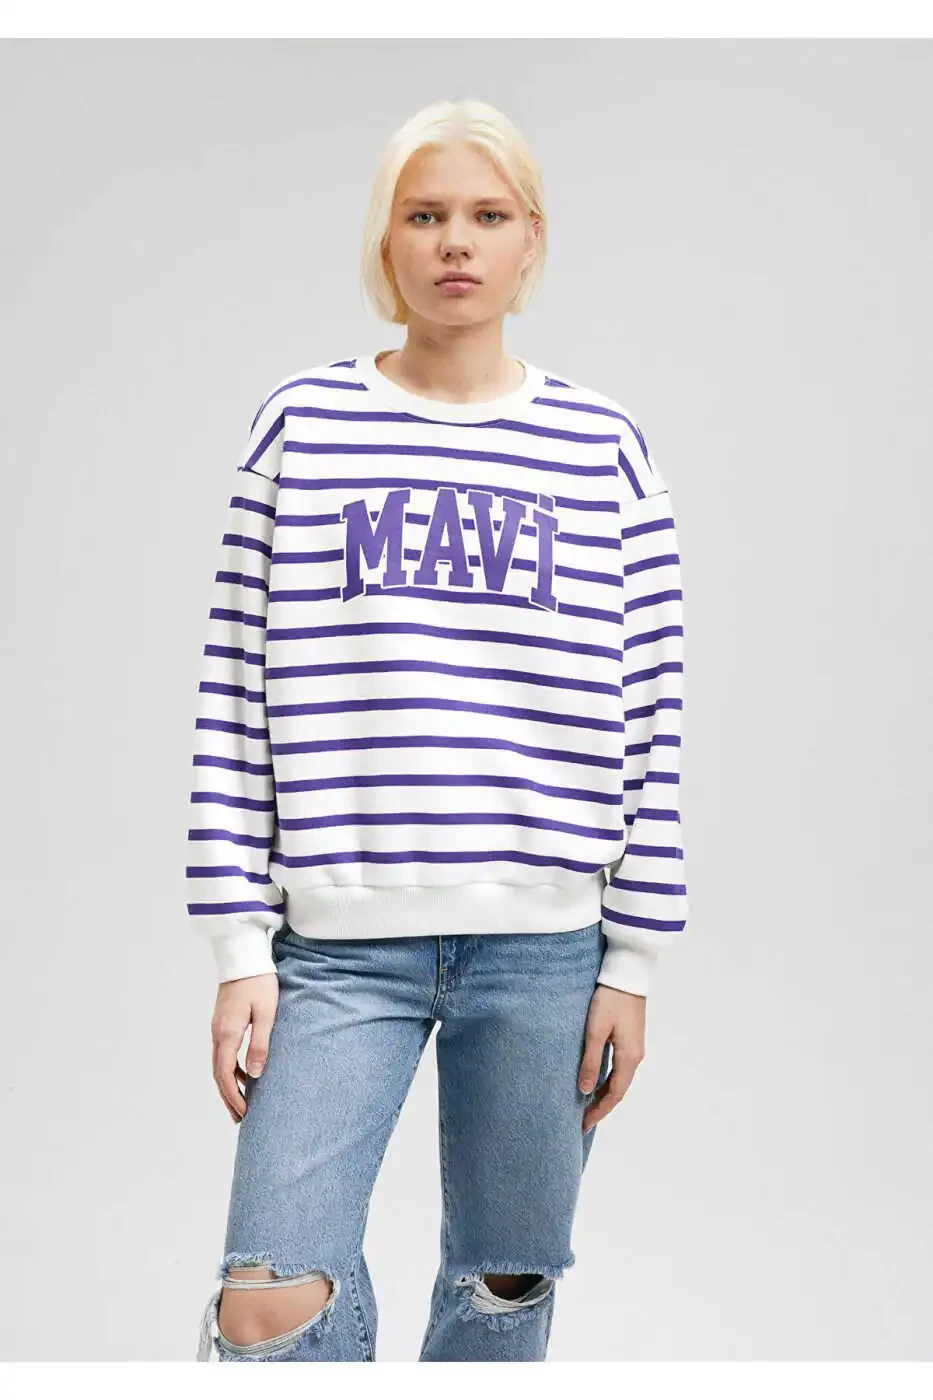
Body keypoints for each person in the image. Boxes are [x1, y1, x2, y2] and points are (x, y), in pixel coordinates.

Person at [187, 96, 689, 1363]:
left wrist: (632, 963)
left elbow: (653, 711)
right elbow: (233, 687)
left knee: (501, 1290)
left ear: (530, 241)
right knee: (268, 1296)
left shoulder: (603, 448)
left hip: (546, 950)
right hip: (339, 946)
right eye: (424, 215)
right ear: (386, 241)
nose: (455, 242)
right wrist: (240, 944)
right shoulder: (302, 426)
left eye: (486, 215)